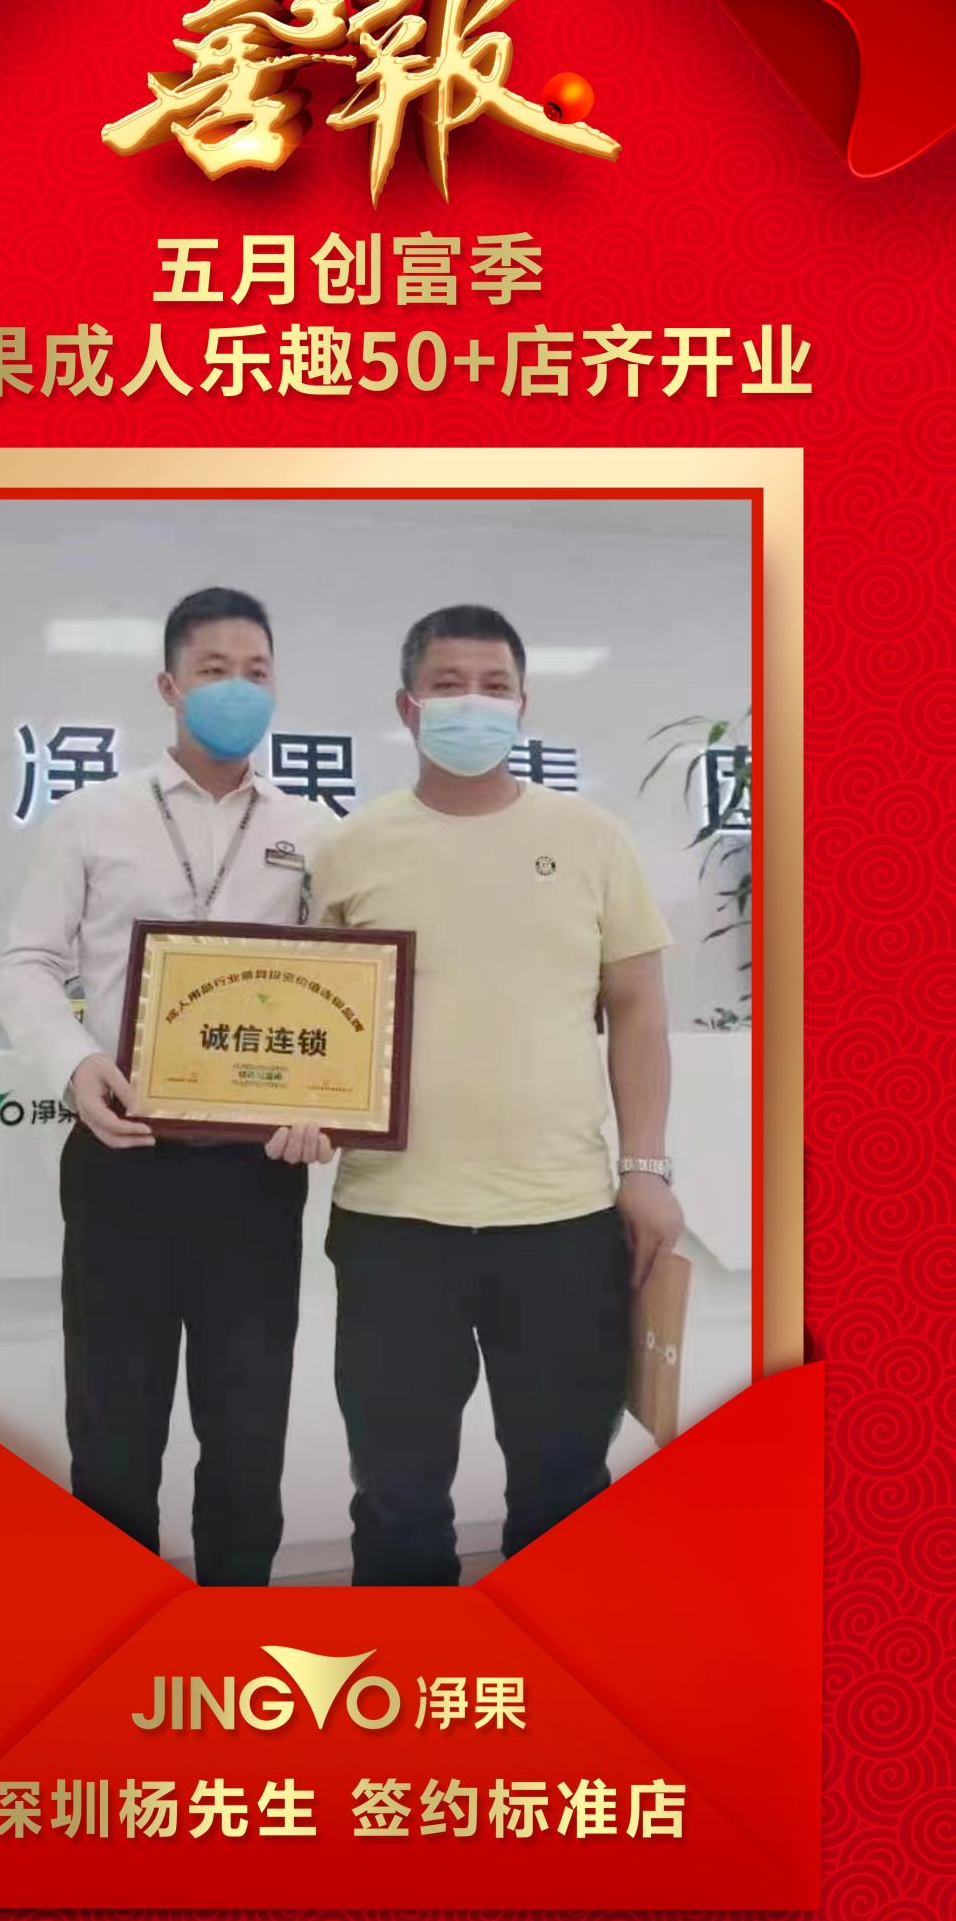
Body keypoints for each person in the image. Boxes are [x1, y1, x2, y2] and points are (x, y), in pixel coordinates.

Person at [309, 603, 684, 1586]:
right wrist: (301, 1108)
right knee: (396, 1495)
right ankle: (407, 1670)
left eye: (493, 686)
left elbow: (638, 1007)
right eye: (447, 685)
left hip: (561, 1220)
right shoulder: (350, 846)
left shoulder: (591, 838)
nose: (471, 703)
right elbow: (319, 1017)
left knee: (566, 1489)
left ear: (523, 704)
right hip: (394, 1222)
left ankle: (551, 1668)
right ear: (407, 705)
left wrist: (646, 1167)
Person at [0, 587, 331, 1585]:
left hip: (255, 1173)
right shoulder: (93, 816)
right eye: (214, 670)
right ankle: (117, 1633)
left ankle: (234, 1634)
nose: (237, 689)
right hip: (122, 1157)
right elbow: (27, 962)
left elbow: (341, 989)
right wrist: (74, 1063)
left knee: (247, 1427)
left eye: (257, 672)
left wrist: (324, 1105)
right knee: (113, 1424)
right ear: (169, 686)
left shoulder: (315, 829)